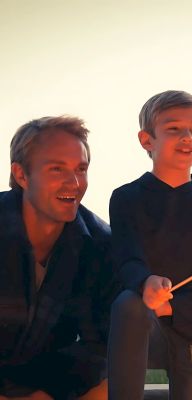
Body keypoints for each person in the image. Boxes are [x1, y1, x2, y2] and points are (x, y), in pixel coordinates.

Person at [107, 90, 192, 400]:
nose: (187, 136)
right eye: (173, 128)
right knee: (129, 303)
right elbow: (126, 262)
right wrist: (146, 282)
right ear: (146, 140)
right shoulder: (125, 198)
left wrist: (172, 306)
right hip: (140, 327)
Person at [0, 116, 115, 399]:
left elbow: (99, 345)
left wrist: (45, 393)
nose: (74, 182)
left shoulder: (100, 245)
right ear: (22, 175)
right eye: (56, 169)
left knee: (109, 386)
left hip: (48, 381)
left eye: (81, 169)